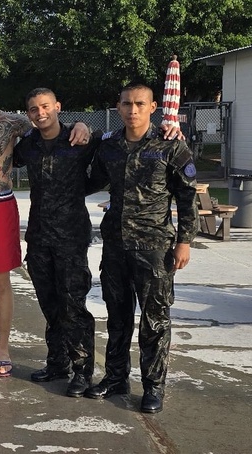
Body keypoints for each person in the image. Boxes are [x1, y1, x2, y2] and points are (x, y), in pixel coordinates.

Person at [0, 74, 90, 378]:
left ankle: (3, 349)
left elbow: (48, 126)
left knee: (0, 281)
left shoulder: (10, 122)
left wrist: (82, 125)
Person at [85, 82, 198, 413]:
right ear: (118, 107)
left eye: (139, 104)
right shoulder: (109, 147)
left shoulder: (170, 147)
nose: (132, 110)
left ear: (153, 108)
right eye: (126, 103)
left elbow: (187, 197)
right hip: (116, 247)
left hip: (155, 249)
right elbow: (90, 180)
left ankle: (154, 386)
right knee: (117, 317)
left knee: (155, 320)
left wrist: (185, 241)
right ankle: (116, 377)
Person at [13, 88, 100, 396]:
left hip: (71, 237)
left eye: (45, 106)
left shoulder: (79, 140)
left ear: (57, 106)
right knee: (50, 304)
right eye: (34, 109)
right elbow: (2, 155)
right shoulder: (29, 146)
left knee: (73, 305)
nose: (40, 113)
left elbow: (102, 170)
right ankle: (57, 361)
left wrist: (84, 124)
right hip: (38, 237)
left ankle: (82, 370)